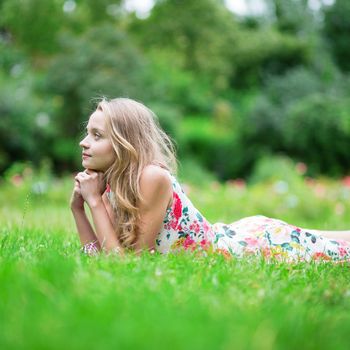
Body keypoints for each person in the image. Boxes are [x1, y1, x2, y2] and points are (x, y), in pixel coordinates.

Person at [70, 97, 350, 262]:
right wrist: (78, 210)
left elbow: (128, 263)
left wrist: (94, 202)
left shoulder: (152, 177)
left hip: (247, 246)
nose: (84, 142)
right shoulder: (111, 186)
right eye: (88, 132)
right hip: (235, 231)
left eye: (97, 135)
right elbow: (103, 256)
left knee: (333, 251)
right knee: (319, 238)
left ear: (125, 142)